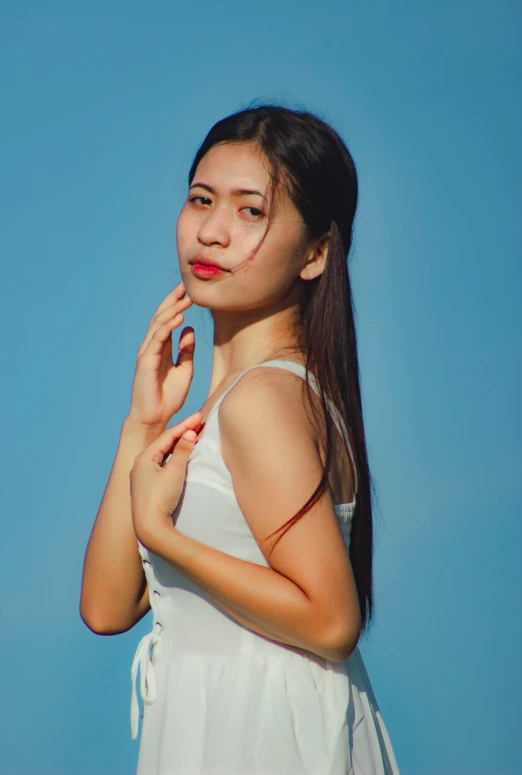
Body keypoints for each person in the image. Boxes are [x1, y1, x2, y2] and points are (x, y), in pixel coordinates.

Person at [80, 103, 401, 774]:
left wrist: (164, 536)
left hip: (265, 738)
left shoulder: (262, 400)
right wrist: (142, 425)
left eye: (250, 211)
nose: (213, 231)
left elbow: (331, 620)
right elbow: (108, 607)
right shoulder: (233, 402)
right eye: (202, 199)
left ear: (315, 253)